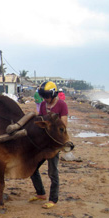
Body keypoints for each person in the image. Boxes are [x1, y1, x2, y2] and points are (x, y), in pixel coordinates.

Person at [29, 81, 68, 209]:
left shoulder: (62, 105)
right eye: (43, 96)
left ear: (53, 94)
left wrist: (51, 124)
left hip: (53, 144)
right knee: (32, 168)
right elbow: (40, 119)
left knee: (53, 172)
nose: (45, 99)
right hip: (42, 144)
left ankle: (53, 199)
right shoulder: (43, 105)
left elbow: (63, 125)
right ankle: (41, 193)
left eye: (47, 96)